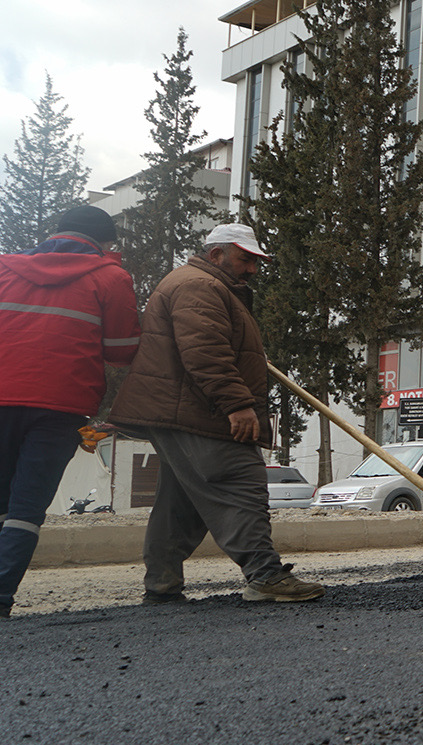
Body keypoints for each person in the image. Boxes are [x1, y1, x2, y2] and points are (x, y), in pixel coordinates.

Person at [107, 223, 323, 604]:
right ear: (216, 254)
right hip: (198, 411)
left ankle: (161, 584)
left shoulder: (203, 285)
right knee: (239, 481)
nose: (253, 269)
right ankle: (264, 575)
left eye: (256, 261)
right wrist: (237, 404)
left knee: (180, 500)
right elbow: (205, 351)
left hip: (181, 409)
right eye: (245, 259)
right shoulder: (199, 287)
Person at [0, 207, 141, 618]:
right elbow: (121, 352)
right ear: (105, 243)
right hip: (60, 405)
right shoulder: (111, 277)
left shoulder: (5, 267)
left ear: (56, 231)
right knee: (27, 508)